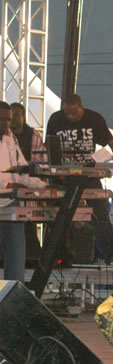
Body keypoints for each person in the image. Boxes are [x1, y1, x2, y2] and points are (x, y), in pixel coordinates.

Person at [46, 93, 113, 263]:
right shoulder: (56, 119)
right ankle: (60, 254)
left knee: (100, 212)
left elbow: (110, 140)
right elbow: (49, 146)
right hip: (64, 174)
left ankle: (112, 253)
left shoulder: (94, 118)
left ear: (82, 108)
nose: (71, 116)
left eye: (74, 113)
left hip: (89, 173)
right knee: (59, 215)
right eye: (67, 113)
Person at [0, 101, 47, 281]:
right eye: (2, 120)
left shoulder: (11, 138)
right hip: (7, 195)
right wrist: (11, 186)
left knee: (17, 256)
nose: (7, 124)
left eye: (9, 120)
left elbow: (21, 171)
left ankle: (13, 298)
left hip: (11, 202)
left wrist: (43, 187)